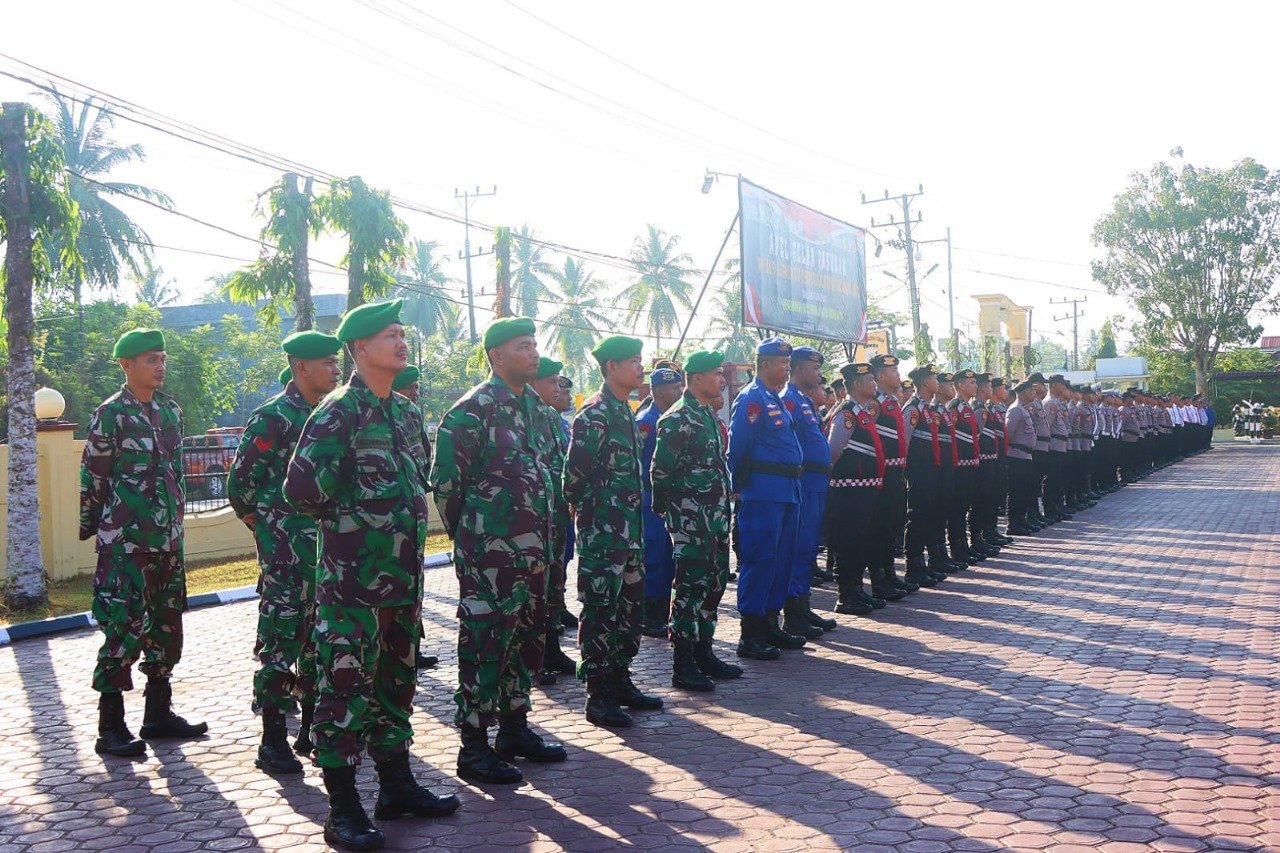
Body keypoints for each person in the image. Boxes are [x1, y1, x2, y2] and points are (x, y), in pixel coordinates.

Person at [286, 300, 458, 851]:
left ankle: (397, 786)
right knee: (343, 689)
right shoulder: (339, 411)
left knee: (395, 685)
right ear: (360, 348)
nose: (401, 343)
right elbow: (301, 489)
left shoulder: (404, 413)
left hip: (402, 582)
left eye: (402, 334)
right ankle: (342, 809)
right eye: (389, 336)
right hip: (352, 585)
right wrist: (351, 526)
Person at [430, 317, 566, 787]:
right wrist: (476, 540)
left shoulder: (536, 408)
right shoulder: (472, 411)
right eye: (523, 346)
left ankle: (514, 729)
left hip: (535, 554)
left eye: (534, 344)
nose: (533, 353)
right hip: (490, 559)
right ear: (496, 355)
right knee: (485, 646)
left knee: (525, 644)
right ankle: (473, 748)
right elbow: (447, 487)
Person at [80, 328, 208, 759]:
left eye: (162, 359)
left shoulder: (170, 411)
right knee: (122, 629)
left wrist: (176, 525)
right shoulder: (111, 414)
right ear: (126, 365)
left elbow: (176, 473)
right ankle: (111, 727)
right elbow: (93, 476)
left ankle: (157, 715)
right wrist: (96, 528)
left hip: (167, 542)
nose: (160, 366)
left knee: (166, 628)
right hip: (126, 544)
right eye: (151, 359)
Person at [229, 330, 342, 775]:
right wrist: (269, 525)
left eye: (337, 361)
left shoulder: (334, 414)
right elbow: (241, 484)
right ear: (301, 367)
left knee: (320, 642)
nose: (336, 369)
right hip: (286, 554)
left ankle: (310, 728)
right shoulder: (274, 417)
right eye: (328, 362)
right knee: (281, 640)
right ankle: (272, 739)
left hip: (330, 550)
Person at [564, 335, 663, 728]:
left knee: (628, 610)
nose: (640, 367)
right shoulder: (594, 415)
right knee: (601, 611)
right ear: (611, 367)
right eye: (633, 361)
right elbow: (573, 478)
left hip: (630, 534)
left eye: (640, 360)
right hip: (603, 535)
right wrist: (593, 517)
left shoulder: (624, 411)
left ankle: (621, 680)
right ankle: (598, 694)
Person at [650, 350, 742, 691]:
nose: (721, 380)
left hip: (715, 519)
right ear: (698, 378)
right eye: (716, 374)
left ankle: (705, 652)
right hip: (691, 521)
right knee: (689, 589)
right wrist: (672, 514)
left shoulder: (707, 415)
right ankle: (683, 662)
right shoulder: (677, 418)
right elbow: (660, 471)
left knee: (713, 586)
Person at [727, 338, 806, 660]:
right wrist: (739, 486)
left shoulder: (774, 398)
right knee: (760, 558)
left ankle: (771, 623)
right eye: (782, 363)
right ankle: (751, 632)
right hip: (763, 491)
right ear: (765, 365)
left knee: (783, 559)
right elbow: (738, 446)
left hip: (788, 490)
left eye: (788, 363)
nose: (787, 368)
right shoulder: (752, 398)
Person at [529, 357, 578, 686]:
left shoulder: (550, 416)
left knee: (553, 587)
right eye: (551, 382)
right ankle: (533, 660)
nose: (558, 389)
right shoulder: (526, 415)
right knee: (535, 592)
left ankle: (551, 651)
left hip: (556, 515)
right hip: (533, 519)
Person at [781, 346, 837, 638]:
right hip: (803, 483)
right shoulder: (789, 400)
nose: (818, 374)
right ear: (799, 369)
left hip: (816, 483)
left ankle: (803, 606)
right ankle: (793, 613)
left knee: (808, 547)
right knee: (798, 547)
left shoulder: (803, 400)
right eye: (814, 368)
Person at [825, 362, 887, 614]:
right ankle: (846, 596)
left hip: (864, 488)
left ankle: (857, 590)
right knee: (848, 542)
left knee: (859, 542)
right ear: (857, 385)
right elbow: (833, 450)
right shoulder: (847, 413)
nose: (874, 384)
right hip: (848, 489)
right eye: (870, 380)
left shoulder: (862, 412)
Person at [390, 366, 440, 673]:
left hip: (411, 515)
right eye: (410, 387)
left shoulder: (410, 413)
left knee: (412, 586)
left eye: (417, 387)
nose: (415, 393)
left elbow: (424, 453)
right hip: (383, 523)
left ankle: (411, 649)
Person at [637, 367, 685, 638]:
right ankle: (649, 614)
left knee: (668, 558)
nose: (679, 392)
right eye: (674, 388)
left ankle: (662, 611)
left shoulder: (673, 419)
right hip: (649, 499)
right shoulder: (647, 421)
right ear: (657, 391)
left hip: (669, 500)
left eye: (680, 387)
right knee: (654, 556)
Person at [869, 354, 916, 600]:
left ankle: (890, 575)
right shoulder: (874, 403)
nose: (898, 375)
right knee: (879, 527)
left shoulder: (891, 401)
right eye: (893, 371)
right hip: (882, 473)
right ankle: (879, 580)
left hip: (896, 471)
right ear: (880, 376)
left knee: (891, 524)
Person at [901, 364, 947, 588]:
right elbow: (904, 442)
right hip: (918, 471)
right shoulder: (913, 408)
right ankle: (913, 566)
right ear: (925, 382)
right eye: (934, 378)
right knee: (917, 516)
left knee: (927, 515)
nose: (937, 382)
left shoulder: (926, 408)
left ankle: (923, 564)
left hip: (930, 469)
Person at [945, 369, 987, 564]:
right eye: (971, 383)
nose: (975, 386)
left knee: (964, 506)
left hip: (970, 464)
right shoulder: (954, 406)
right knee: (957, 508)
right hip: (960, 465)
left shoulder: (967, 407)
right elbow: (951, 436)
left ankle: (964, 545)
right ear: (960, 385)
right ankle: (956, 547)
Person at [1003, 379, 1041, 535]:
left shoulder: (1024, 409)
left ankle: (1021, 521)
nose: (1034, 393)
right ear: (1024, 392)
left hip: (1025, 456)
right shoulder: (1016, 410)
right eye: (1032, 390)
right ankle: (1013, 524)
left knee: (1024, 491)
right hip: (1017, 456)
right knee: (1017, 491)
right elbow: (1008, 434)